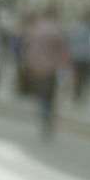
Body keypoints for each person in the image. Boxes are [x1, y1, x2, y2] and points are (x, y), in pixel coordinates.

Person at [23, 10, 67, 140]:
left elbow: (28, 51)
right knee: (50, 97)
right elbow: (62, 51)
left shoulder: (34, 31)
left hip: (37, 68)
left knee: (41, 95)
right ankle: (48, 117)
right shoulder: (56, 32)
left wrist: (28, 65)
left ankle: (44, 117)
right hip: (51, 68)